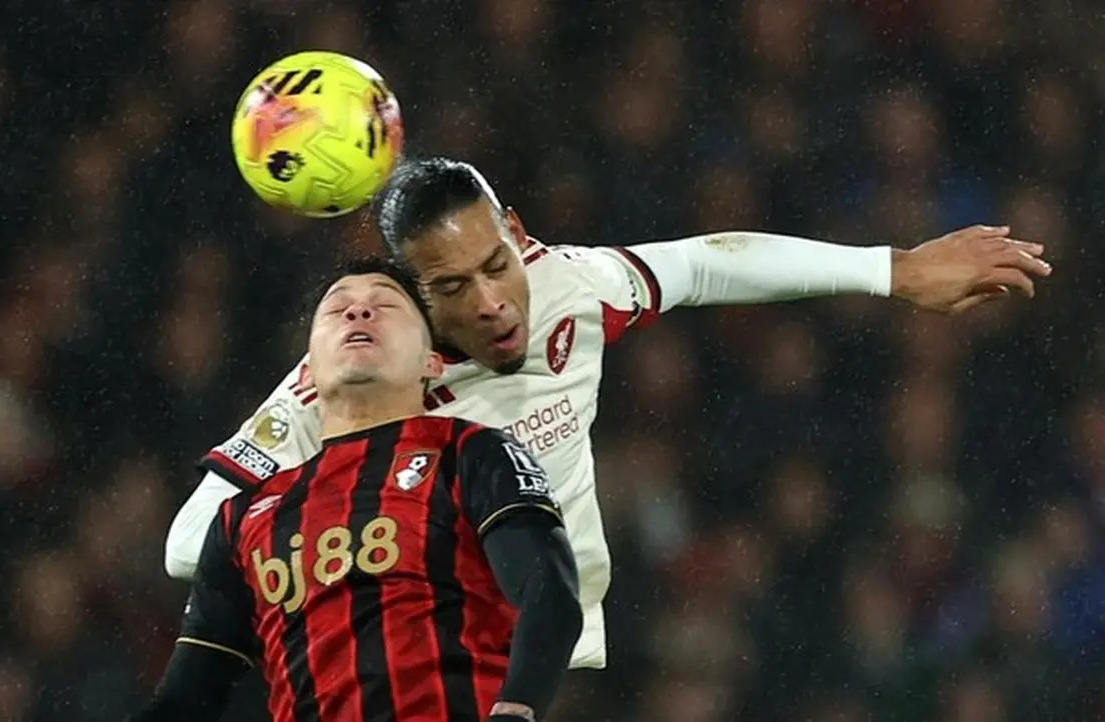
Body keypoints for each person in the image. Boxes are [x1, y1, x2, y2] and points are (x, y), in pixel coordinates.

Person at [167, 156, 1053, 670]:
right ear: (409, 294)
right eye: (451, 288)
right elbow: (186, 541)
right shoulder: (354, 371)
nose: (494, 302)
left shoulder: (571, 287)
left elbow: (707, 263)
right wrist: (352, 537)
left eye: (497, 263)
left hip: (575, 649)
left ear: (517, 232)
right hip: (432, 668)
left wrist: (892, 270)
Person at [133, 257, 581, 722]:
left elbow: (549, 592)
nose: (359, 313)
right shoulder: (241, 519)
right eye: (337, 308)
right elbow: (187, 695)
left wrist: (516, 711)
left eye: (385, 305)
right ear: (305, 375)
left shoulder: (471, 454)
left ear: (432, 363)